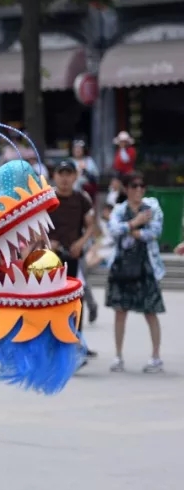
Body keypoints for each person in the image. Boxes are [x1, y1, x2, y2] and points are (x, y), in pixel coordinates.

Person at [105, 172, 164, 374]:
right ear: (127, 189)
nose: (138, 189)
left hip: (146, 265)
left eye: (141, 186)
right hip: (122, 266)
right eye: (134, 186)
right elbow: (112, 229)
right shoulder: (120, 210)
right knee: (120, 312)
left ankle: (156, 357)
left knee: (151, 312)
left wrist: (134, 230)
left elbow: (155, 232)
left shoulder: (152, 208)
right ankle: (118, 356)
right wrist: (134, 223)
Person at [47, 160, 97, 358]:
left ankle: (77, 343)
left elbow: (92, 225)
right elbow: (34, 224)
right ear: (55, 176)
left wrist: (81, 242)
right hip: (49, 259)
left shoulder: (82, 198)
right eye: (61, 173)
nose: (65, 178)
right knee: (50, 302)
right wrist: (47, 241)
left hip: (74, 256)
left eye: (69, 174)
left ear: (75, 176)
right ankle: (51, 345)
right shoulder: (47, 198)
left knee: (76, 301)